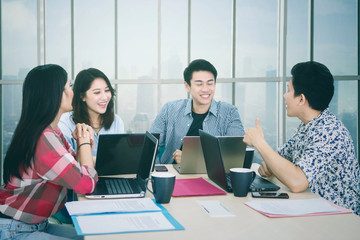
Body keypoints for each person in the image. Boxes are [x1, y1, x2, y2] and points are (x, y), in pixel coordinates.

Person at [243, 61, 360, 215]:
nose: (284, 95)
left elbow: (297, 182)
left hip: (342, 219)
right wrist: (272, 164)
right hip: (314, 207)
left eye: (288, 90)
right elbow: (275, 162)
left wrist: (259, 143)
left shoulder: (330, 132)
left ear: (301, 99)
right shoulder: (309, 126)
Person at [0, 64, 98, 239]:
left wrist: (83, 143)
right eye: (68, 87)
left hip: (35, 224)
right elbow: (86, 184)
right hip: (14, 229)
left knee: (90, 236)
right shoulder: (44, 139)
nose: (72, 93)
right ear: (52, 95)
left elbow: (75, 169)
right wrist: (83, 142)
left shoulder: (51, 132)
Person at [150, 59, 245, 164]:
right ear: (187, 86)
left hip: (213, 177)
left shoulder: (229, 113)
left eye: (210, 83)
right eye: (199, 84)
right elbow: (151, 148)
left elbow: (236, 156)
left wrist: (193, 160)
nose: (205, 89)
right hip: (172, 176)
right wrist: (159, 172)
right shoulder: (170, 109)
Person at [59, 68, 124, 156]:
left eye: (107, 90)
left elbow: (119, 157)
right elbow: (67, 162)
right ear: (82, 96)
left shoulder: (116, 121)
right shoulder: (65, 122)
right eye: (97, 92)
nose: (104, 97)